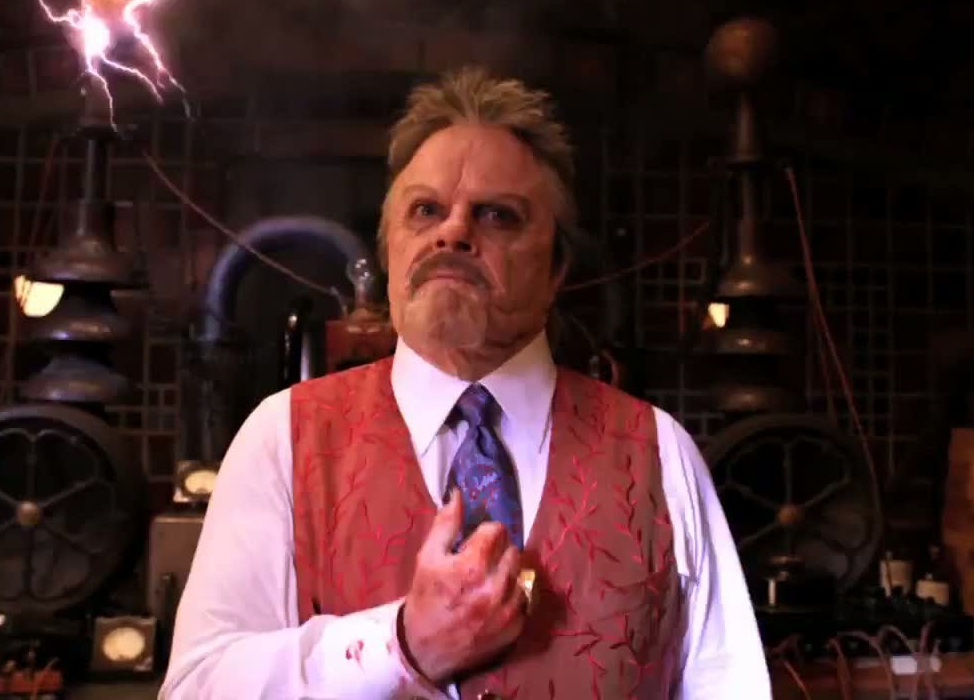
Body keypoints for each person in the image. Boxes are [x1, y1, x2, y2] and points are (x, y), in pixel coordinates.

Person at [161, 67, 770, 699]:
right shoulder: (281, 438)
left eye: (498, 216)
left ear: (557, 267)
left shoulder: (659, 455)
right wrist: (401, 645)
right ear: (390, 250)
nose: (453, 231)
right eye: (425, 210)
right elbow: (197, 688)